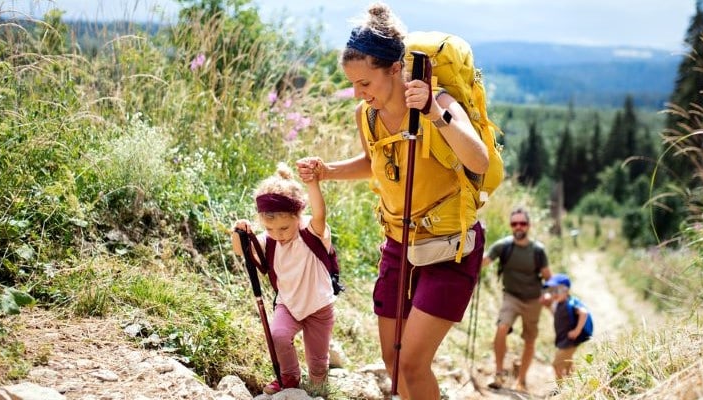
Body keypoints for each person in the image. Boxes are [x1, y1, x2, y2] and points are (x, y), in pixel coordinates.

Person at [295, 2, 489, 398]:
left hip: (449, 246)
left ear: (396, 70)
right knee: (394, 364)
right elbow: (374, 161)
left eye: (365, 83)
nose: (358, 93)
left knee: (413, 365)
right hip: (399, 244)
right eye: (352, 84)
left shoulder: (441, 103)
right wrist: (328, 171)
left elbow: (478, 160)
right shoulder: (365, 115)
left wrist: (434, 112)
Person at [230, 163, 335, 394]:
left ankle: (319, 388)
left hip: (319, 306)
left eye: (284, 228)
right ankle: (290, 378)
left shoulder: (311, 231)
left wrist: (312, 183)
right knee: (278, 335)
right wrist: (238, 232)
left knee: (317, 360)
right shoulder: (269, 241)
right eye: (270, 229)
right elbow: (241, 251)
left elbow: (320, 213)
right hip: (288, 303)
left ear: (298, 215)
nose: (278, 235)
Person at [481, 208, 552, 391]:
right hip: (511, 296)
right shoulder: (503, 246)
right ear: (510, 226)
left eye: (522, 223)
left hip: (533, 300)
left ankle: (521, 380)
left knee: (529, 340)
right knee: (501, 327)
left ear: (529, 226)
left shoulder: (538, 250)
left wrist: (548, 293)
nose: (518, 227)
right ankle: (499, 374)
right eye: (514, 223)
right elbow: (484, 261)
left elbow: (548, 277)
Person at [540, 273, 593, 382]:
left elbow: (584, 313)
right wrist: (547, 306)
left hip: (570, 340)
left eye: (557, 291)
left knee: (556, 364)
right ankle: (576, 382)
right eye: (551, 291)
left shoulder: (571, 303)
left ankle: (561, 388)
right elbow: (558, 316)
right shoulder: (559, 304)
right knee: (568, 364)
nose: (553, 294)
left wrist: (577, 331)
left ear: (566, 290)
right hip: (563, 339)